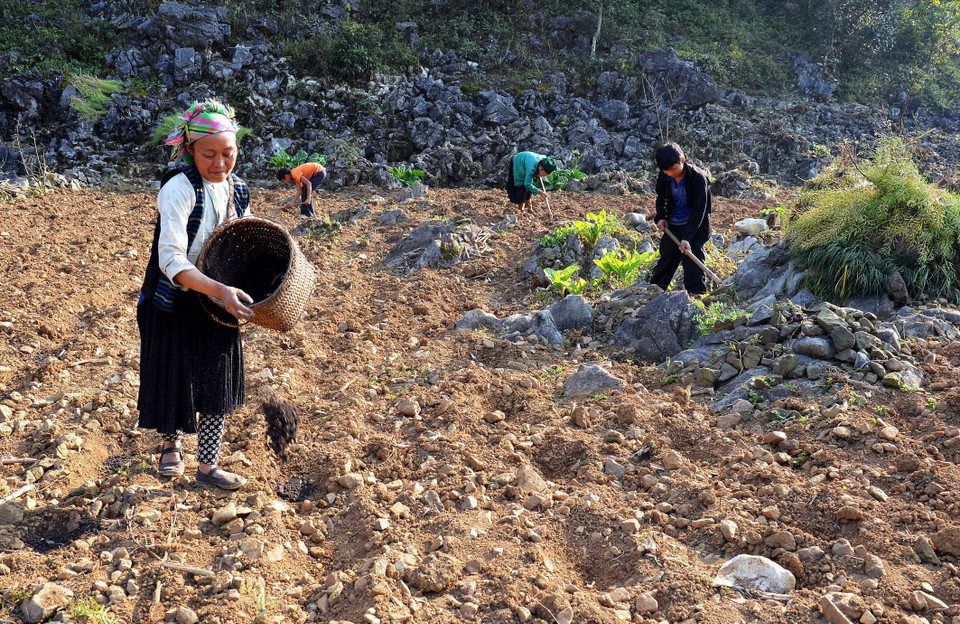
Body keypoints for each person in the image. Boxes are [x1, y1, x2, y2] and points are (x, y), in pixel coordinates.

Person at [137, 98, 253, 490]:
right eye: (209, 155)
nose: (219, 163)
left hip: (218, 298)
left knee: (217, 377)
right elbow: (170, 259)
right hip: (176, 296)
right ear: (189, 150)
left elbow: (242, 234)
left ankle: (209, 465)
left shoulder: (237, 189)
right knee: (175, 371)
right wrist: (219, 289)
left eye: (228, 153)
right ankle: (171, 444)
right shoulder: (179, 189)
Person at [650, 142, 713, 295]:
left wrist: (687, 238)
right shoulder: (664, 176)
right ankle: (654, 291)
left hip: (695, 225)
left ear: (682, 160)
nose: (670, 173)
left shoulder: (698, 178)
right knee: (667, 256)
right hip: (673, 223)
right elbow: (661, 198)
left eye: (673, 169)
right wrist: (661, 217)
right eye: (666, 171)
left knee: (692, 259)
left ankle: (696, 294)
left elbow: (700, 211)